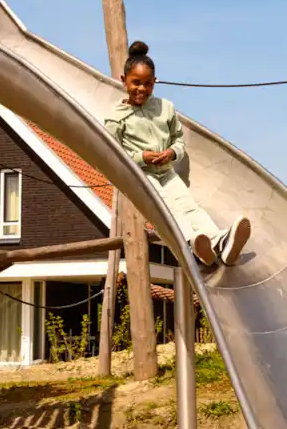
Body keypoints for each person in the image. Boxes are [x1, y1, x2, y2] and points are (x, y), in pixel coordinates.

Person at [105, 40, 250, 268]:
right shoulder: (116, 117)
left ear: (154, 82)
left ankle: (219, 242)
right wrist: (142, 157)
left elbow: (179, 140)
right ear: (124, 81)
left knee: (190, 206)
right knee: (169, 207)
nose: (141, 89)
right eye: (136, 83)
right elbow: (112, 155)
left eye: (147, 84)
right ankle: (194, 243)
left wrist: (172, 153)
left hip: (167, 172)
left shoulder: (165, 108)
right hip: (143, 176)